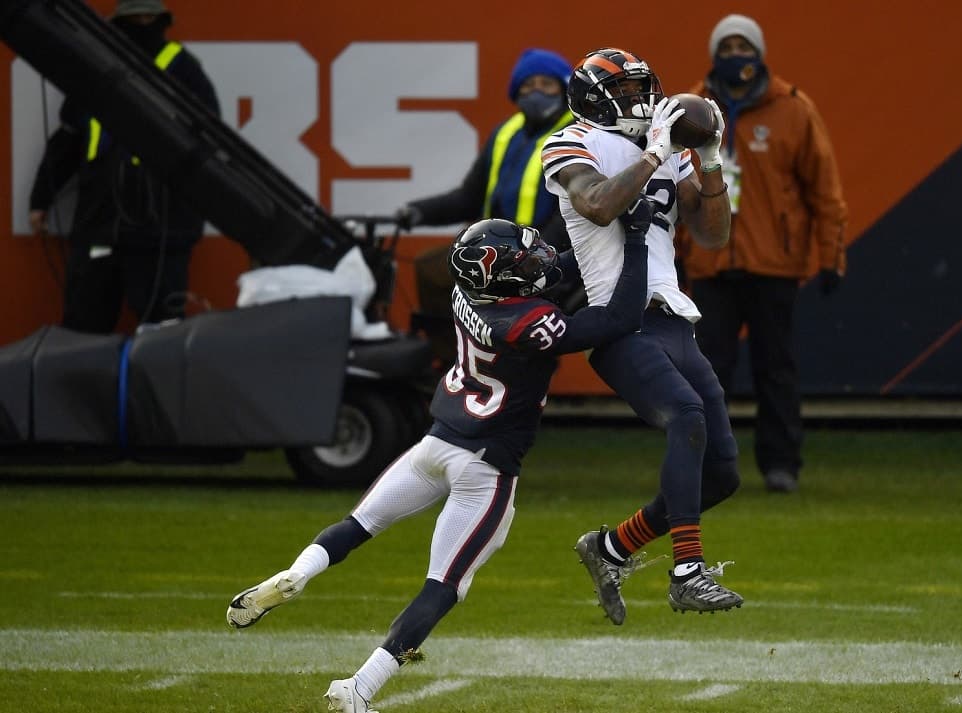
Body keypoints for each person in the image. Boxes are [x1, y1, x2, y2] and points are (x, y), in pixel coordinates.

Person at [225, 207, 652, 713]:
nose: (535, 257)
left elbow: (553, 268)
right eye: (522, 257)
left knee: (357, 525)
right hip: (485, 468)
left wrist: (605, 230)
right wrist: (637, 240)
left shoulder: (467, 292)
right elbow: (619, 318)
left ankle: (298, 572)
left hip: (435, 445)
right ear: (504, 277)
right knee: (444, 586)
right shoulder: (525, 322)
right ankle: (358, 688)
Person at [541, 48, 742, 624]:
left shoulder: (664, 150)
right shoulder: (569, 143)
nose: (642, 100)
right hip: (620, 317)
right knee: (686, 414)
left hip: (673, 317)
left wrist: (708, 159)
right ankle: (687, 572)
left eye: (642, 88)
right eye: (627, 92)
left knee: (722, 474)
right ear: (593, 99)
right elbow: (597, 205)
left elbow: (713, 235)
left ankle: (611, 548)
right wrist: (655, 152)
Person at [676, 14, 849, 493]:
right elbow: (670, 186)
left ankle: (781, 465)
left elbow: (825, 191)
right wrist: (674, 255)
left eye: (743, 47)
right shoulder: (691, 110)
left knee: (776, 368)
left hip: (774, 263)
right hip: (709, 263)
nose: (736, 56)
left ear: (760, 53)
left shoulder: (793, 109)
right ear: (714, 55)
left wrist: (831, 257)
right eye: (727, 47)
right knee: (706, 371)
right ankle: (706, 463)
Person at [28, 0, 219, 334]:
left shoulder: (183, 68)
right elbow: (68, 141)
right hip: (101, 226)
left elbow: (209, 143)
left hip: (161, 231)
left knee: (163, 334)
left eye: (147, 18)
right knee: (83, 330)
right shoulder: (95, 71)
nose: (141, 25)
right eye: (134, 19)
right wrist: (41, 198)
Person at [394, 48, 577, 367]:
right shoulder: (506, 133)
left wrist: (533, 258)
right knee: (431, 268)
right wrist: (416, 211)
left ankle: (514, 369)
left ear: (563, 89)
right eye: (527, 85)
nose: (536, 92)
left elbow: (571, 213)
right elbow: (469, 197)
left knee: (496, 300)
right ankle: (455, 361)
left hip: (545, 254)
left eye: (546, 84)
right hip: (498, 250)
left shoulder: (575, 135)